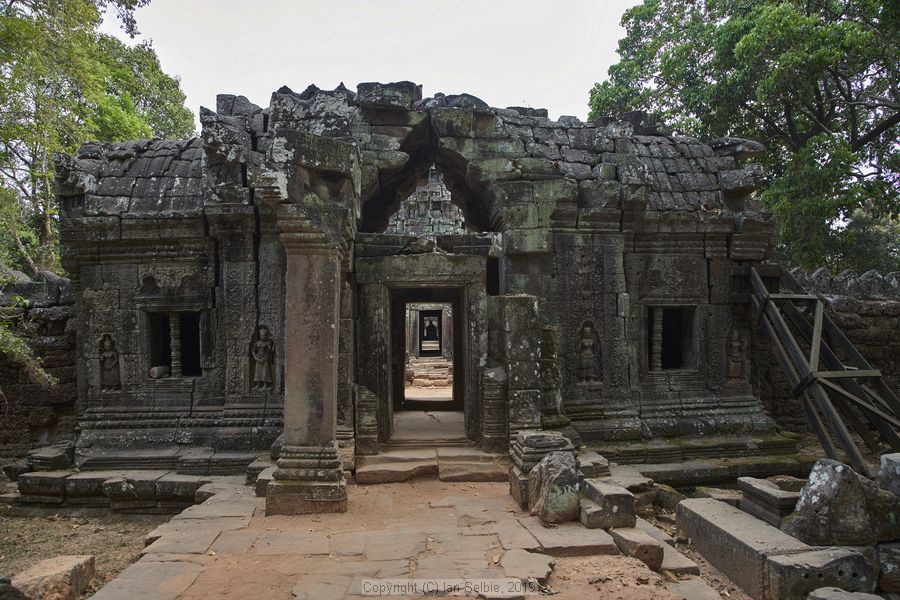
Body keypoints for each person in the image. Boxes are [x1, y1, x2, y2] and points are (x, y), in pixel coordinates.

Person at [251, 325, 275, 390]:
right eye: (261, 336)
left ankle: (265, 384)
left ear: (266, 335)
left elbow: (270, 352)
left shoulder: (268, 342)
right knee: (257, 372)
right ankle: (258, 384)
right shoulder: (257, 343)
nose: (263, 337)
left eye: (264, 336)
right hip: (258, 359)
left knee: (265, 372)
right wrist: (256, 358)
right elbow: (253, 351)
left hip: (265, 359)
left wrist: (273, 343)